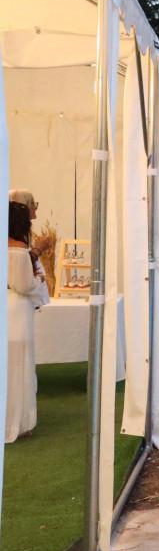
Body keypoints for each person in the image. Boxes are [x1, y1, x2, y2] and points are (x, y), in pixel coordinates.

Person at [7, 202, 41, 442]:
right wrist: (38, 278)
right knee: (19, 365)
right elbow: (25, 285)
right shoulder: (18, 251)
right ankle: (17, 422)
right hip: (17, 310)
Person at [8, 189, 51, 305]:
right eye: (33, 205)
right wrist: (38, 250)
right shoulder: (15, 243)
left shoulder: (21, 235)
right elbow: (21, 280)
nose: (35, 213)